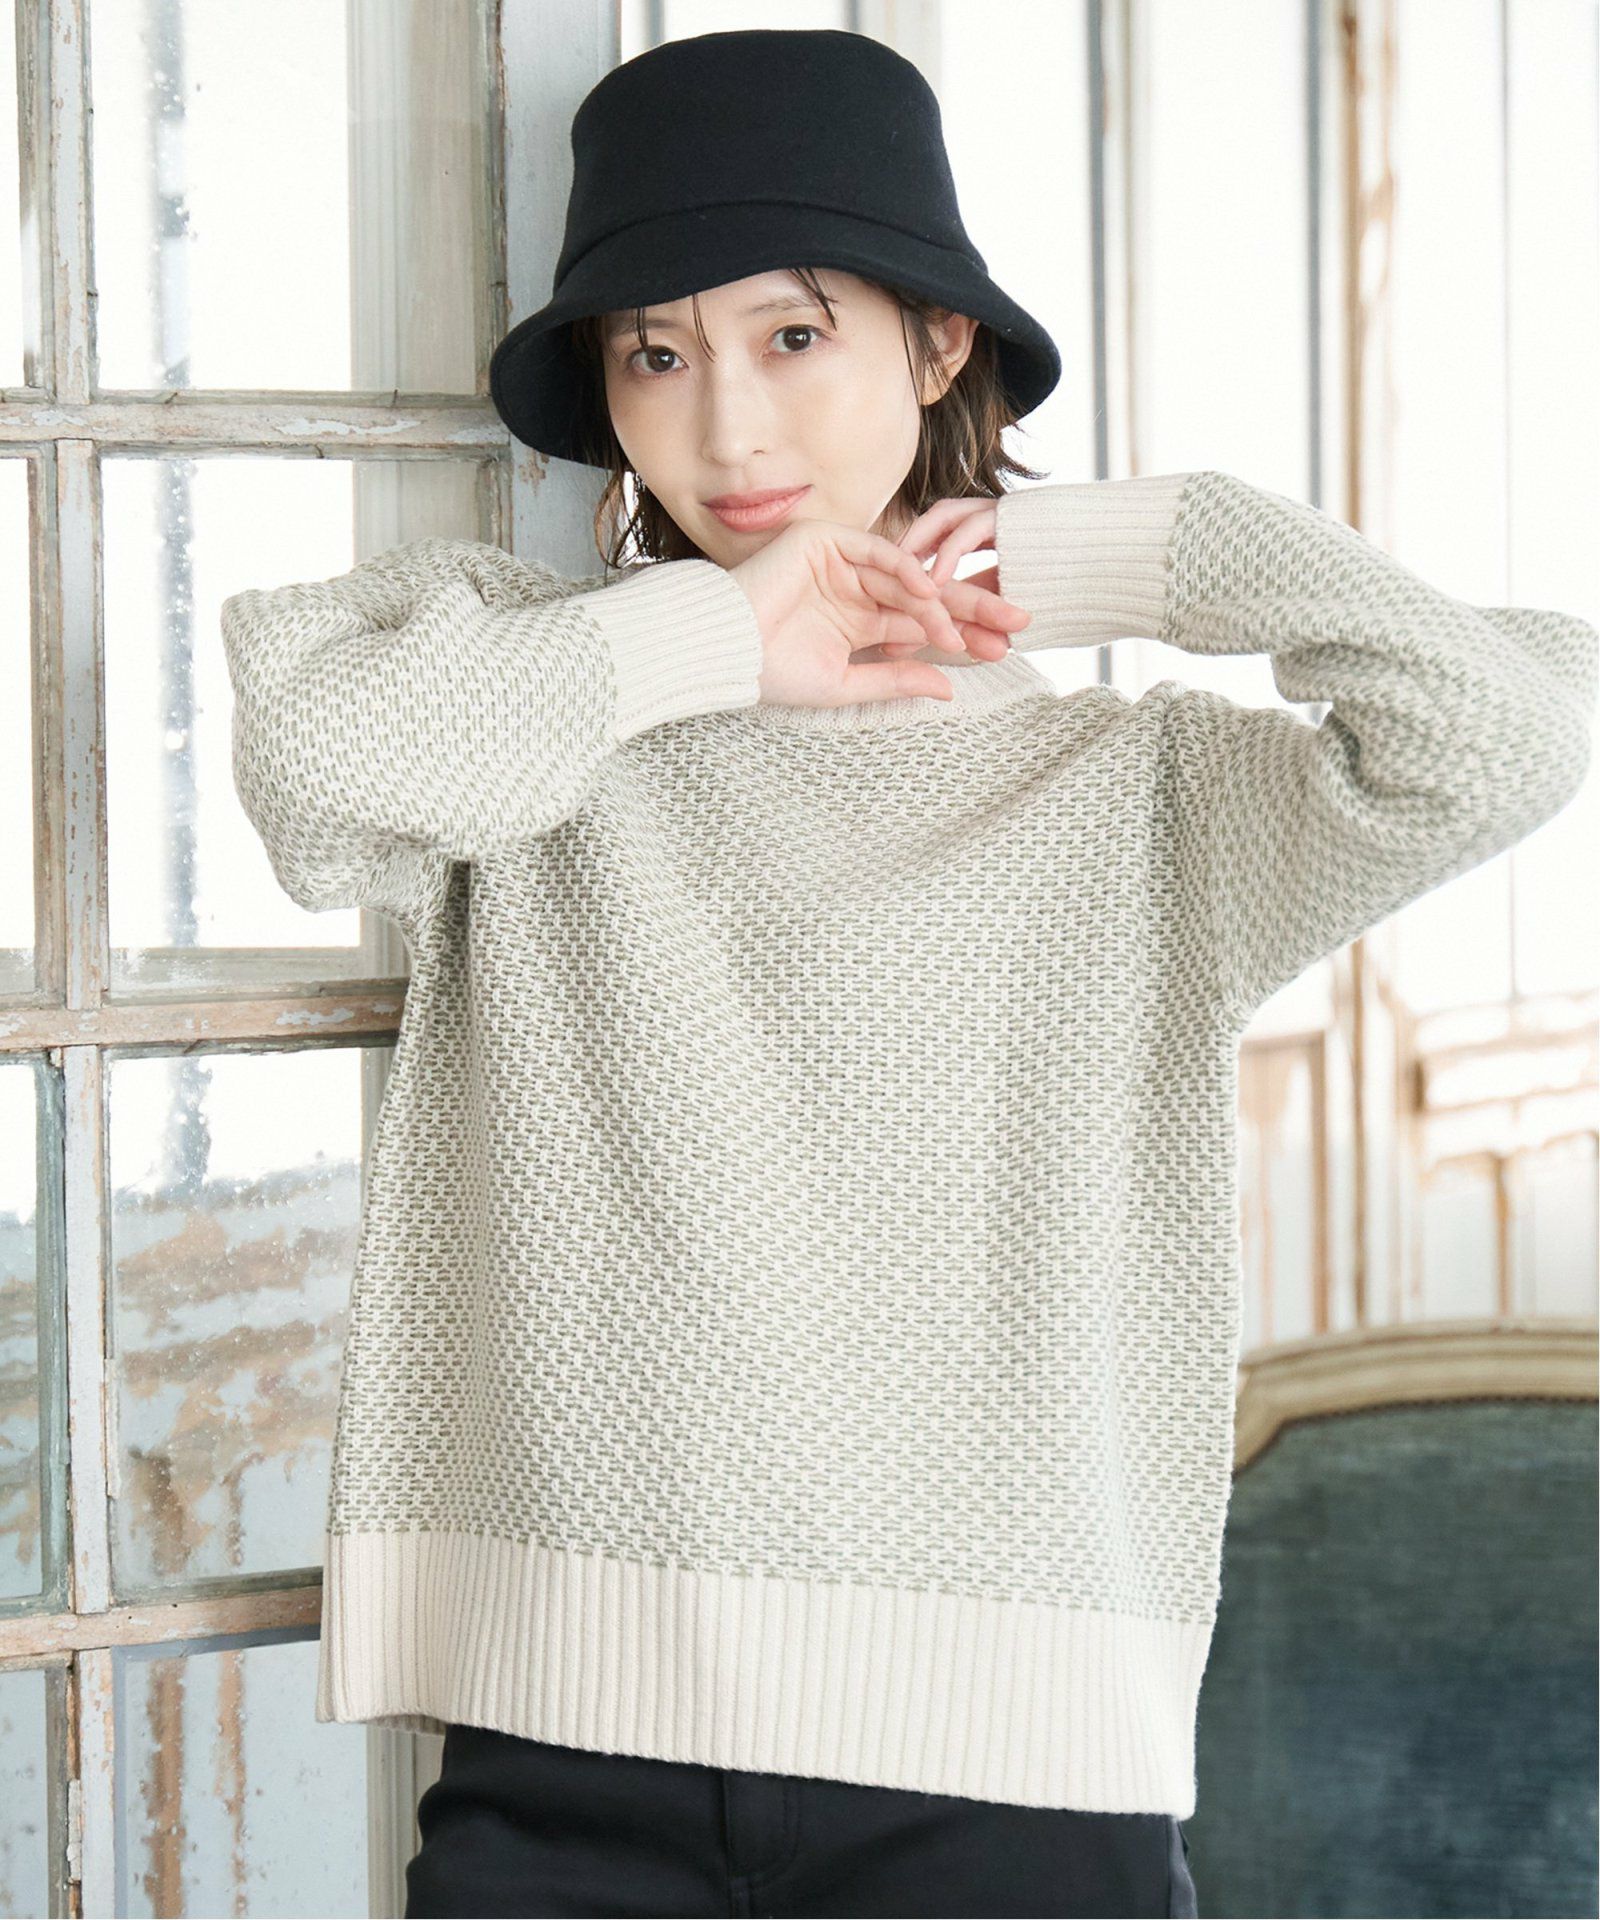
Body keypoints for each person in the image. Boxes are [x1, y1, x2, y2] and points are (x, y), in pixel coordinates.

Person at [218, 27, 1596, 1920]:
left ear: (940, 347)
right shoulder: (552, 713)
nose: (728, 429)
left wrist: (1127, 553)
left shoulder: (1140, 795)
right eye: (654, 354)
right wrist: (714, 639)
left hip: (1007, 1783)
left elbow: (1511, 729)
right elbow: (311, 766)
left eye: (793, 335)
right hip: (563, 1757)